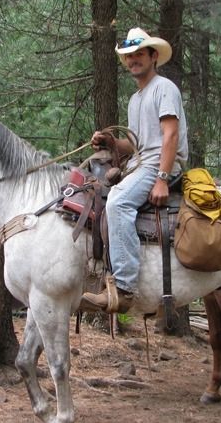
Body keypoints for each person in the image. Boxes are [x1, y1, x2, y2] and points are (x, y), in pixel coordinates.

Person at [81, 28, 188, 313]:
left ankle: (124, 288)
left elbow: (170, 136)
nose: (132, 61)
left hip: (158, 165)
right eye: (129, 56)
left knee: (118, 202)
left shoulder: (164, 88)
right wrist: (111, 142)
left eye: (139, 54)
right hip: (142, 163)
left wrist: (163, 179)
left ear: (154, 56)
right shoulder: (136, 98)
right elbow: (136, 144)